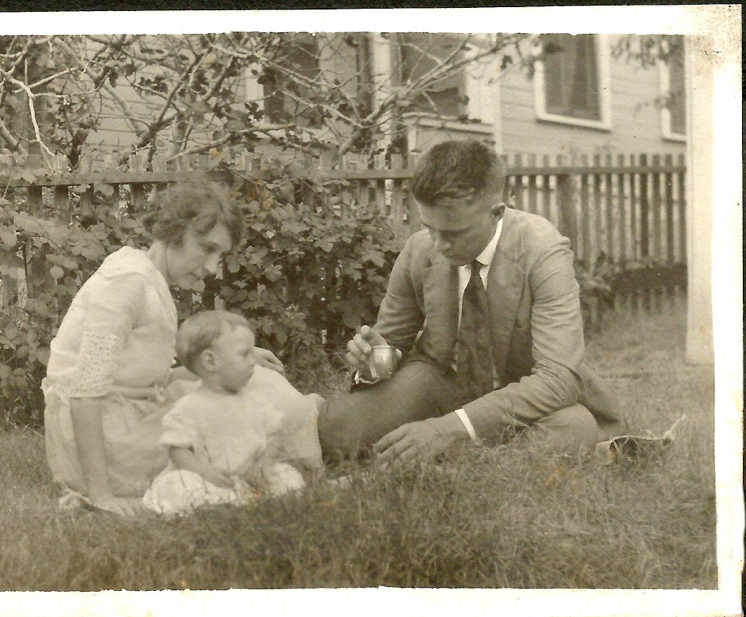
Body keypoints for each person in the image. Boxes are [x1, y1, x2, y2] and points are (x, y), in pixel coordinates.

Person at [318, 140, 623, 467]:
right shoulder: (419, 250)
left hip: (521, 397)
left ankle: (445, 458)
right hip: (441, 384)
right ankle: (465, 458)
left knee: (575, 428)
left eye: (454, 233)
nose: (439, 245)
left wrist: (448, 429)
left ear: (496, 213)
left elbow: (558, 379)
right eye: (430, 228)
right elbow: (391, 344)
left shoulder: (543, 250)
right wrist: (376, 364)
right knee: (336, 427)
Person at [42, 180, 283, 516]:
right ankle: (294, 463)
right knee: (229, 414)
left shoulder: (148, 278)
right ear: (174, 231)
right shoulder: (127, 283)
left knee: (238, 385)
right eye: (207, 248)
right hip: (105, 441)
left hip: (125, 417)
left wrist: (233, 358)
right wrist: (102, 495)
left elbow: (144, 378)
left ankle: (297, 448)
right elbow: (84, 393)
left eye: (220, 255)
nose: (212, 267)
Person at [143, 310, 324, 515]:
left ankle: (250, 499)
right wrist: (205, 473)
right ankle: (218, 505)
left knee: (286, 477)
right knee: (181, 483)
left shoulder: (255, 400)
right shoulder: (189, 407)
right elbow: (178, 451)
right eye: (244, 354)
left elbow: (275, 434)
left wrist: (264, 464)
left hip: (251, 474)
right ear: (211, 361)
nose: (252, 361)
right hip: (210, 477)